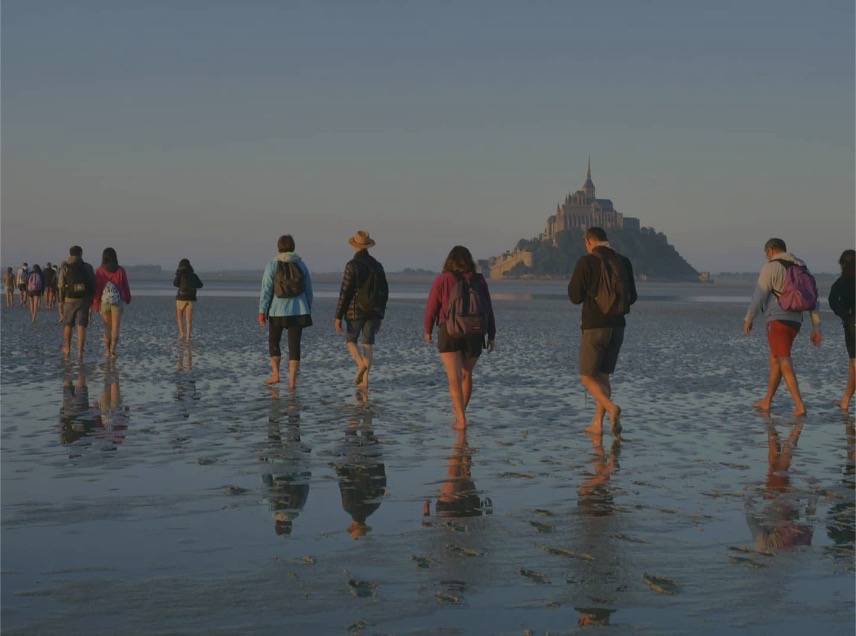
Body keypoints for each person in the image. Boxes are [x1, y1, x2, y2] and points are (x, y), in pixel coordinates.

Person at [568, 227, 637, 437]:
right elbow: (632, 296)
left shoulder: (586, 261)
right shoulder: (623, 261)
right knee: (603, 376)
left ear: (589, 241)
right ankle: (598, 424)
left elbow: (574, 296)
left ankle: (610, 407)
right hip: (618, 326)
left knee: (587, 377)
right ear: (607, 240)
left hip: (594, 325)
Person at [743, 238, 822, 416]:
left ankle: (799, 405)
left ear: (771, 250)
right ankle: (767, 401)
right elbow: (813, 297)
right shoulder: (801, 265)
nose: (766, 256)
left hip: (777, 319)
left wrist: (749, 318)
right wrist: (816, 326)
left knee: (784, 360)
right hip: (796, 321)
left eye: (766, 253)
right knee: (775, 359)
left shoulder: (771, 266)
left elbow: (759, 293)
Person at [423, 245, 496, 429]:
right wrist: (492, 335)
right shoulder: (479, 280)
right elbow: (488, 308)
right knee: (466, 374)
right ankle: (461, 415)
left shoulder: (443, 279)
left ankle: (461, 419)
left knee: (453, 377)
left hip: (449, 331)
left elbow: (432, 306)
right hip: (475, 332)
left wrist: (428, 330)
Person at [334, 231, 389, 391]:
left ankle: (360, 364)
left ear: (355, 246)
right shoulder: (377, 266)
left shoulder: (352, 265)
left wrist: (338, 316)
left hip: (355, 311)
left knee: (351, 340)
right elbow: (384, 292)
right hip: (373, 312)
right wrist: (381, 314)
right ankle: (365, 382)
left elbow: (345, 292)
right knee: (368, 344)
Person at [258, 235, 313, 389]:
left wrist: (262, 311)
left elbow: (266, 289)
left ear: (278, 247)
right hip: (299, 310)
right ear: (293, 247)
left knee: (274, 341)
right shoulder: (301, 264)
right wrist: (307, 307)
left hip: (277, 310)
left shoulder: (272, 264)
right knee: (294, 345)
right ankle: (292, 382)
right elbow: (308, 289)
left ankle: (275, 374)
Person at [92, 247, 132, 357]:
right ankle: (113, 351)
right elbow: (125, 286)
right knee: (115, 327)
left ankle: (106, 350)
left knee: (107, 327)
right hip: (117, 301)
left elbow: (98, 289)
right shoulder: (120, 270)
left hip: (104, 302)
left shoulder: (100, 271)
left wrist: (95, 304)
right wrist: (128, 298)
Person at [58, 246, 96, 358]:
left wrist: (61, 301)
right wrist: (91, 299)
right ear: (81, 254)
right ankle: (80, 351)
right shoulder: (87, 267)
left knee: (68, 324)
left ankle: (67, 348)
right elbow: (93, 283)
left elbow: (60, 285)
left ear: (70, 254)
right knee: (82, 325)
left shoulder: (65, 266)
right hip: (84, 299)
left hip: (69, 299)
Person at [828, 249, 855, 411]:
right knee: (853, 365)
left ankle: (845, 400)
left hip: (852, 325)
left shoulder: (841, 282)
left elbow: (833, 301)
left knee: (854, 363)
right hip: (851, 323)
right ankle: (845, 400)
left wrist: (845, 315)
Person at [173, 258, 204, 340]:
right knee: (189, 319)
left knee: (180, 317)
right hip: (190, 298)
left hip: (180, 298)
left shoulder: (180, 274)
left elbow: (175, 284)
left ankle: (182, 334)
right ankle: (188, 335)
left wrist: (178, 274)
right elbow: (200, 285)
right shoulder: (193, 275)